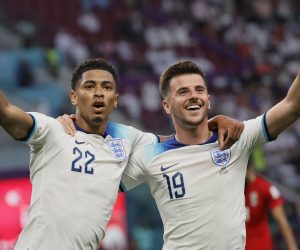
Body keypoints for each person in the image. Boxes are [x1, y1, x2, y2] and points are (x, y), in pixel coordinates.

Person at [0, 58, 243, 250]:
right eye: (89, 86)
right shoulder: (53, 130)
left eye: (106, 88)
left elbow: (176, 142)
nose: (98, 93)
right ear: (74, 96)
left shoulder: (127, 138)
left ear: (115, 100)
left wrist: (211, 124)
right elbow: (7, 113)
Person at [119, 60, 300, 249]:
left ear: (208, 99)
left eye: (199, 90)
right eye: (183, 92)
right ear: (167, 106)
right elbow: (99, 185)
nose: (193, 96)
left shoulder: (236, 138)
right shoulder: (151, 155)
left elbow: (293, 105)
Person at [245, 161, 298, 250]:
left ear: (249, 170)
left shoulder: (265, 188)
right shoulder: (230, 190)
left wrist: (292, 247)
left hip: (260, 244)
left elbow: (282, 221)